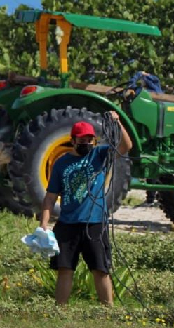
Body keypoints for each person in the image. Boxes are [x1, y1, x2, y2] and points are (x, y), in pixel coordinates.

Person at [39, 111, 133, 306]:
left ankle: (108, 311)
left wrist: (118, 122)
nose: (87, 144)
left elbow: (126, 146)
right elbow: (49, 198)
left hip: (95, 224)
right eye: (82, 140)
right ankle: (60, 310)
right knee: (64, 269)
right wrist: (44, 225)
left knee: (100, 269)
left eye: (90, 140)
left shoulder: (100, 155)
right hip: (67, 224)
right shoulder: (61, 164)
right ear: (73, 141)